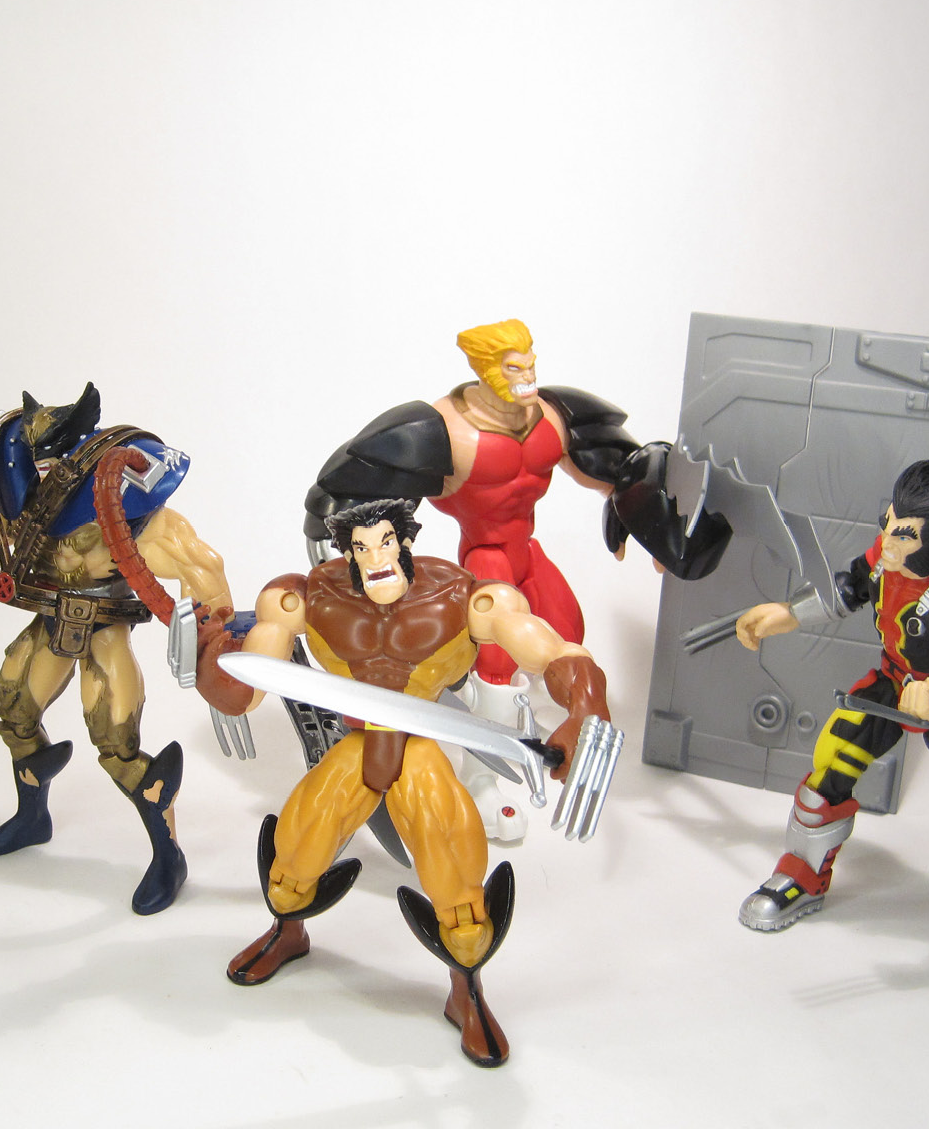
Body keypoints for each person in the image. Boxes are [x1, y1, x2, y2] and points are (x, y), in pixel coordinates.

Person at [197, 498, 612, 1066]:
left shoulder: (461, 597)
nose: (375, 559)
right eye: (361, 548)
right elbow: (246, 690)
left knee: (457, 885)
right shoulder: (308, 597)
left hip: (418, 746)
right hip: (359, 743)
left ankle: (466, 992)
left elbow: (550, 649)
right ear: (346, 553)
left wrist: (584, 707)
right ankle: (288, 932)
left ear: (405, 541)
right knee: (294, 856)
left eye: (385, 542)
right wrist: (212, 662)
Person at [305, 319, 726, 840]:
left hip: (527, 550)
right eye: (512, 366)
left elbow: (624, 469)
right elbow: (354, 501)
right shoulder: (445, 432)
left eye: (530, 361)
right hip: (485, 557)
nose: (527, 374)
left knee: (568, 632)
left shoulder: (554, 417)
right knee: (496, 666)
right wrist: (349, 584)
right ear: (483, 367)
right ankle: (482, 780)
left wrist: (656, 526)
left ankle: (555, 728)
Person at [0, 385, 233, 914]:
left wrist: (216, 640)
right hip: (51, 622)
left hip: (104, 630)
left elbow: (200, 566)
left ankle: (169, 857)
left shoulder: (121, 502)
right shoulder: (23, 501)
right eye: (38, 460)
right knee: (14, 711)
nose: (46, 471)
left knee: (117, 744)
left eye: (54, 459)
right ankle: (32, 816)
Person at [733, 459, 929, 937]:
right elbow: (850, 588)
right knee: (830, 766)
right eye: (890, 522)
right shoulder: (886, 556)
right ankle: (803, 875)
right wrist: (789, 614)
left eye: (905, 533)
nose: (889, 538)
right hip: (890, 686)